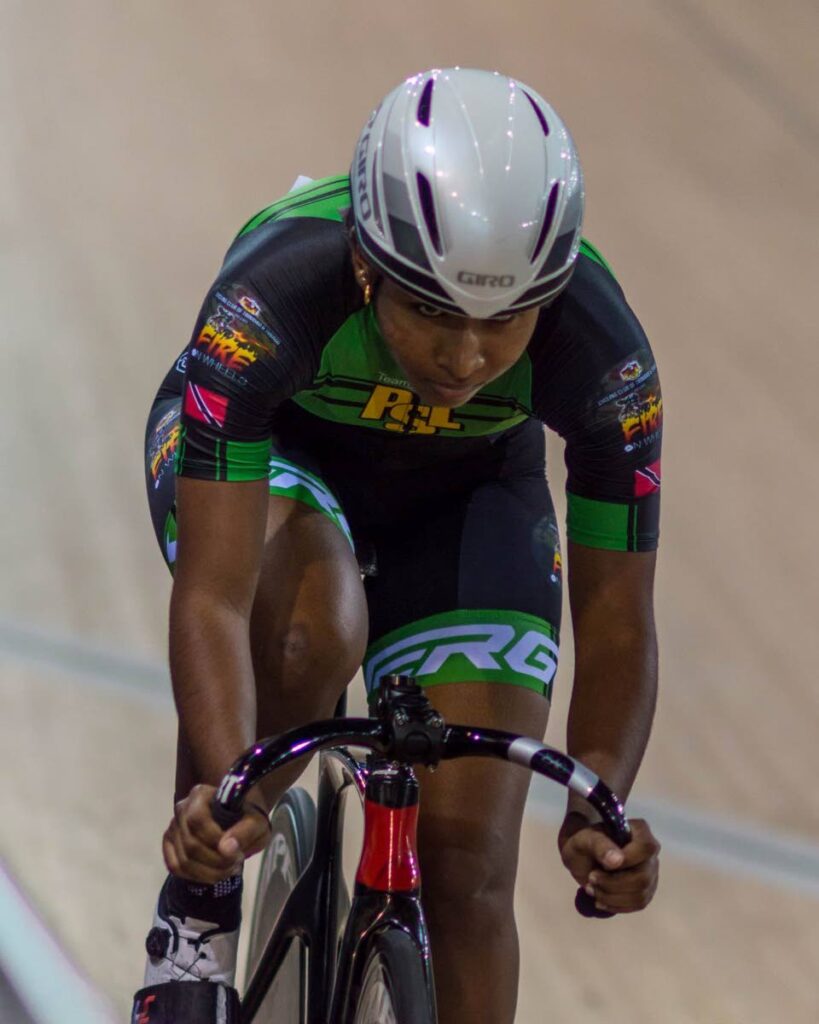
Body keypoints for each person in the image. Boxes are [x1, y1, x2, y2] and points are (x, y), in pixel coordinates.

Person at [133, 67, 662, 1024]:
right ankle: (195, 924)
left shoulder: (606, 357)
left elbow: (618, 618)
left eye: (504, 321)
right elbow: (214, 594)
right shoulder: (273, 297)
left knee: (466, 873)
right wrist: (224, 790)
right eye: (432, 312)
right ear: (368, 265)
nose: (464, 359)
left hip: (464, 500)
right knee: (307, 632)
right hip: (280, 461)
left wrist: (601, 804)